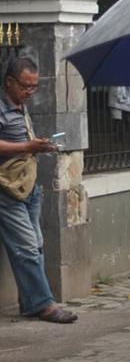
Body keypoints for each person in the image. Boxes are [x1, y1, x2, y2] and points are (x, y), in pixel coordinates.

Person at [0, 57, 77, 324]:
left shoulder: (21, 106)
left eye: (34, 87)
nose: (30, 92)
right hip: (7, 189)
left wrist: (39, 146)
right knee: (27, 247)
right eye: (25, 86)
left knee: (37, 245)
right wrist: (26, 148)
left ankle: (31, 302)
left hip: (28, 186)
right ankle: (44, 305)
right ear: (9, 82)